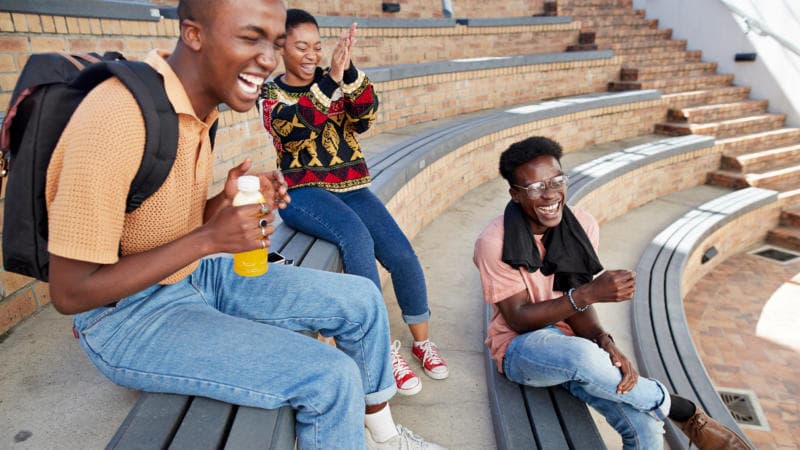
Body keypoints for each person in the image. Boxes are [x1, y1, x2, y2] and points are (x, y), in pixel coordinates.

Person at [44, 0, 445, 448]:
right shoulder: (115, 119)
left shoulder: (199, 108)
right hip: (128, 317)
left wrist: (223, 202)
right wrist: (208, 239)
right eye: (251, 38)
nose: (270, 60)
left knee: (363, 300)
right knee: (330, 377)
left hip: (193, 276)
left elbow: (156, 225)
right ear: (194, 35)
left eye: (275, 43)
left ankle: (382, 436)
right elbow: (71, 293)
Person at [472, 136, 751, 450]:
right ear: (515, 194)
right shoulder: (494, 243)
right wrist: (589, 294)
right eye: (536, 187)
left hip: (573, 345)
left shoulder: (581, 225)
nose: (550, 194)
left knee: (646, 426)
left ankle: (657, 402)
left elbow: (574, 300)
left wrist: (603, 340)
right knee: (582, 356)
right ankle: (681, 409)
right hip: (520, 349)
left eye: (557, 181)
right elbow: (519, 319)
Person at [258, 9, 448, 397]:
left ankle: (422, 341)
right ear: (280, 47)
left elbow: (365, 116)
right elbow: (294, 129)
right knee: (356, 238)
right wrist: (330, 80)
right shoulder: (271, 94)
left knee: (401, 254)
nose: (311, 55)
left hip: (352, 187)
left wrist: (348, 72)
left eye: (317, 47)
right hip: (303, 192)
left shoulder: (337, 79)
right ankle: (380, 348)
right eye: (301, 47)